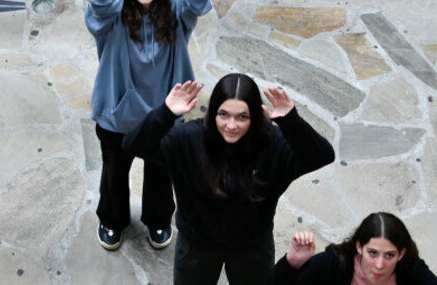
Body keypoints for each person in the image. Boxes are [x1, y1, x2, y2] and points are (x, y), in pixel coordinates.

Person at [128, 75, 336, 284]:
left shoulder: (272, 144)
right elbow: (132, 145)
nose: (231, 125)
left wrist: (291, 120)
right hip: (196, 245)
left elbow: (322, 155)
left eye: (242, 117)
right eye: (223, 114)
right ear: (213, 112)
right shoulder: (188, 139)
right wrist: (165, 112)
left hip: (252, 246)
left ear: (253, 116)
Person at [85, 0, 211, 252]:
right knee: (114, 173)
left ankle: (158, 220)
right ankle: (112, 219)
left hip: (166, 112)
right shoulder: (112, 13)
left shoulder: (175, 7)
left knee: (161, 174)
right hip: (117, 114)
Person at [268, 213, 437, 285]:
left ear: (401, 254)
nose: (380, 265)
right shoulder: (332, 265)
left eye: (389, 255)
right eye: (373, 253)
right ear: (359, 247)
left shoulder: (412, 272)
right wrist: (290, 263)